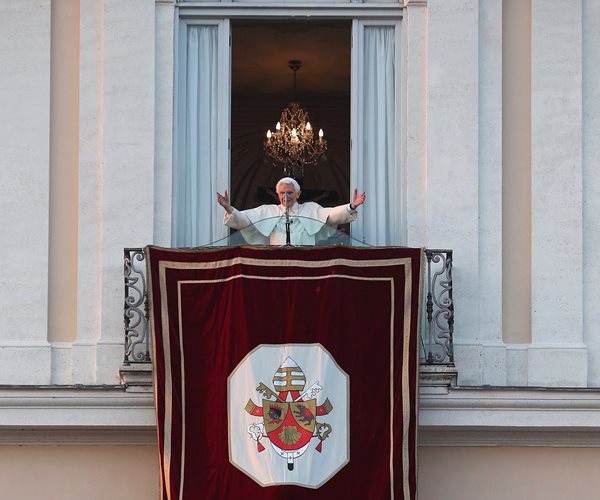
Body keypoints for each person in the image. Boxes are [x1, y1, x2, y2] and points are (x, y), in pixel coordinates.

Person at [216, 177, 366, 245]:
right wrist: (228, 208)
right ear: (277, 194)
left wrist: (351, 206)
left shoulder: (310, 208)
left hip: (306, 262)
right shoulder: (267, 211)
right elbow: (244, 221)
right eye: (282, 193)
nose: (285, 196)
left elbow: (331, 215)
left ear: (298, 194)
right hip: (277, 262)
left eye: (289, 192)